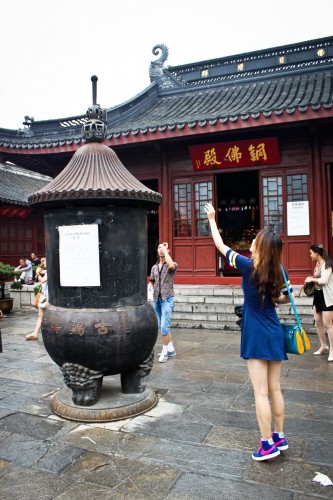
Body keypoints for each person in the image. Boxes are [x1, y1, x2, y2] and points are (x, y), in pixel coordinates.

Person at [205, 202, 292, 461]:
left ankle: (266, 445)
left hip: (255, 332)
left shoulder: (247, 266)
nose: (252, 241)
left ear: (260, 247)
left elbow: (221, 247)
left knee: (261, 392)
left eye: (255, 240)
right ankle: (279, 435)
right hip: (274, 329)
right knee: (275, 388)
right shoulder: (280, 270)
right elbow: (287, 298)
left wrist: (211, 218)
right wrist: (272, 298)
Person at [149, 242, 177, 363]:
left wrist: (165, 251)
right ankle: (171, 349)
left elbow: (171, 265)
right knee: (162, 326)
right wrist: (150, 290)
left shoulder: (172, 264)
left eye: (164, 248)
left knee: (165, 327)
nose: (161, 249)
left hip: (167, 299)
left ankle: (165, 352)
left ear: (168, 251)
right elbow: (152, 281)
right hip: (157, 299)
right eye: (159, 247)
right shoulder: (154, 267)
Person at [304, 244, 333, 362]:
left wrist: (311, 279)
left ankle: (332, 350)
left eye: (311, 253)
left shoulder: (327, 264)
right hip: (318, 296)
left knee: (328, 324)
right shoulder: (317, 264)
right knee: (318, 321)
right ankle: (323, 346)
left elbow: (324, 280)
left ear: (317, 253)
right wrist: (311, 279)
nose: (310, 255)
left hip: (327, 297)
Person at [26, 257, 48, 341]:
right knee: (40, 315)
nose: (44, 263)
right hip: (44, 296)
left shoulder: (52, 271)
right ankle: (35, 333)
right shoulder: (47, 271)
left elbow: (42, 280)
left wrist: (38, 274)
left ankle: (36, 332)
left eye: (45, 261)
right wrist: (41, 265)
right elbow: (41, 270)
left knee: (43, 315)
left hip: (48, 297)